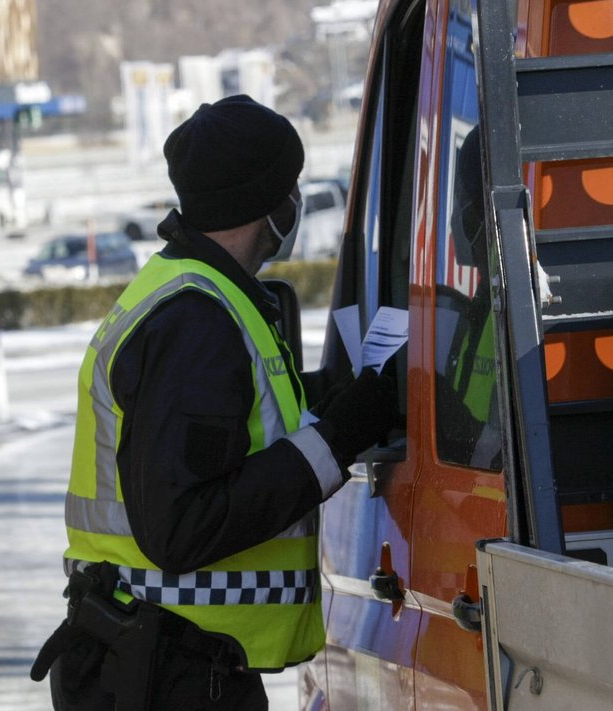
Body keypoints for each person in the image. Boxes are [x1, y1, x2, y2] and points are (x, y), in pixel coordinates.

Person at [31, 95, 398, 710]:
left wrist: (326, 398)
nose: (296, 202)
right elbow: (181, 525)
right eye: (292, 186)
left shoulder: (200, 294)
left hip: (169, 660)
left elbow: (234, 428)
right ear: (269, 204)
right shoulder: (196, 321)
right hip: (166, 671)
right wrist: (335, 441)